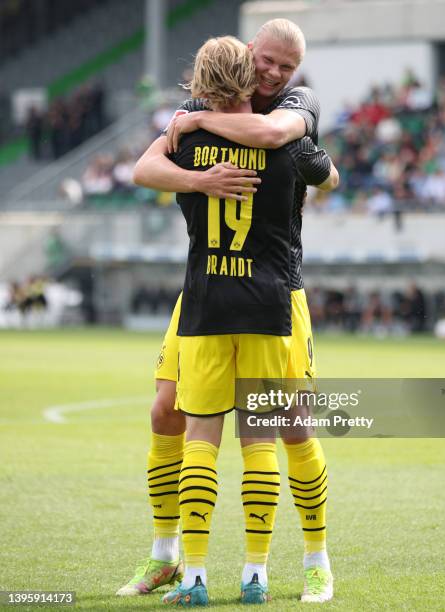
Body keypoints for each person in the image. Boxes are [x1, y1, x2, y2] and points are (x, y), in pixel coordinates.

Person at [118, 20, 338, 604]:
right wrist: (201, 177)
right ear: (248, 53)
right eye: (267, 61)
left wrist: (196, 124)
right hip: (209, 292)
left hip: (270, 287)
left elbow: (273, 136)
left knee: (284, 424)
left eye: (285, 67)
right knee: (166, 411)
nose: (274, 73)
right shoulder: (210, 109)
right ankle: (170, 558)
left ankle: (317, 559)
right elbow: (144, 168)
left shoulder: (294, 110)